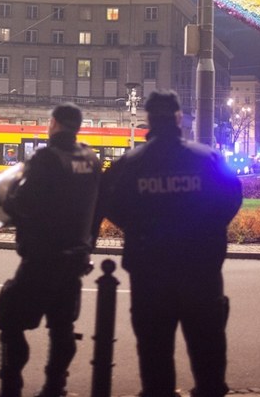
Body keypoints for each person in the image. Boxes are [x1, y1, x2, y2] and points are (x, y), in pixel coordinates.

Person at [100, 90, 242, 397]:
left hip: (150, 273)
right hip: (200, 270)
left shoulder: (130, 164)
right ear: (179, 118)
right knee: (208, 354)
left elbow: (110, 203)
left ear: (149, 119)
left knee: (154, 355)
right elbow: (231, 198)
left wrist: (138, 229)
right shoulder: (208, 159)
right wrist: (208, 227)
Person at [0, 103, 101, 397]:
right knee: (62, 325)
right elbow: (97, 207)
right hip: (75, 257)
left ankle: (10, 388)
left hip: (42, 257)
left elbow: (22, 203)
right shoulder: (91, 159)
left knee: (9, 315)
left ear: (53, 123)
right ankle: (55, 387)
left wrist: (9, 198)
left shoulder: (46, 158)